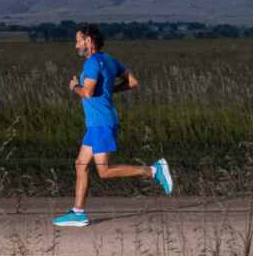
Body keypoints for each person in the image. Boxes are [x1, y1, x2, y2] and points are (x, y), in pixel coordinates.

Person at [53, 24, 173, 227]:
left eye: (78, 40)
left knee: (104, 171)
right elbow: (133, 81)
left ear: (88, 41)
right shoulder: (109, 60)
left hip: (101, 123)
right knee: (81, 164)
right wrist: (108, 92)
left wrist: (74, 87)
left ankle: (154, 171)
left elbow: (88, 92)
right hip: (97, 123)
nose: (76, 45)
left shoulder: (92, 62)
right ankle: (78, 213)